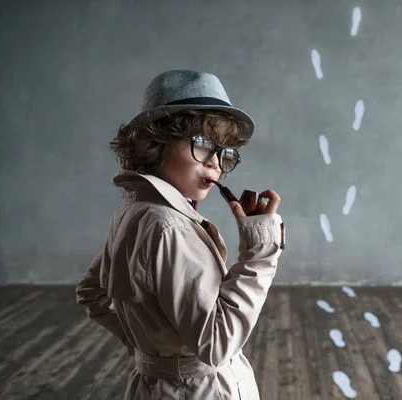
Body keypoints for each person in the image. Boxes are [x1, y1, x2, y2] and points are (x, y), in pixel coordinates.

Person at [75, 70, 284, 399]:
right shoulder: (166, 226)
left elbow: (90, 291)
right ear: (155, 144)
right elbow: (216, 345)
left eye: (223, 151)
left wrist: (152, 348)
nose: (215, 162)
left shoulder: (135, 212)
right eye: (201, 143)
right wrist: (260, 253)